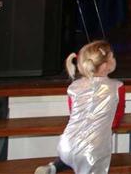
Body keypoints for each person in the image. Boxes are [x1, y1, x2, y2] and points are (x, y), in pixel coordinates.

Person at [35, 40, 125, 174]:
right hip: (92, 151)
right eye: (113, 57)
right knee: (86, 157)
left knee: (72, 155)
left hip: (66, 144)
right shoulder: (117, 87)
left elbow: (73, 113)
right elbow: (117, 118)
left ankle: (53, 167)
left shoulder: (74, 86)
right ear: (105, 65)